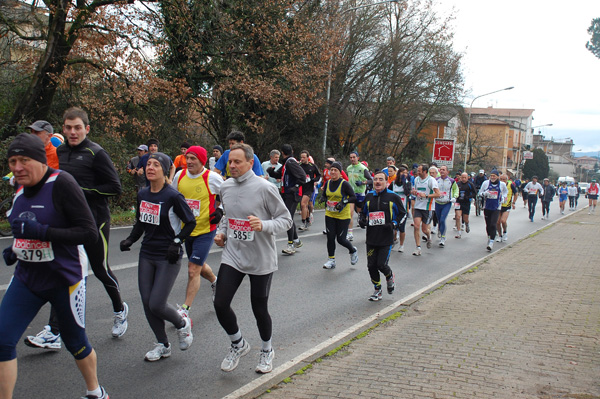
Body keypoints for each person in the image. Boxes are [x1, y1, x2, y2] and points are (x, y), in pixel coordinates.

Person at [0, 133, 108, 399]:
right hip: (28, 279)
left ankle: (96, 392)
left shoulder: (62, 183)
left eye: (24, 160)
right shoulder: (19, 187)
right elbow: (25, 227)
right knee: (2, 341)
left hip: (65, 279)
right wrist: (16, 249)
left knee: (75, 343)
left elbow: (88, 233)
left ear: (39, 159)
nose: (17, 167)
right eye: (12, 161)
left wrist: (43, 232)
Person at [26, 107, 128, 351]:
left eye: (77, 128)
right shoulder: (58, 153)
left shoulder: (96, 153)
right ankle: (54, 331)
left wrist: (81, 192)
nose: (73, 132)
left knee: (101, 270)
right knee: (63, 271)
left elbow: (115, 187)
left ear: (86, 129)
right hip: (67, 222)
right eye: (69, 127)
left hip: (95, 220)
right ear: (63, 129)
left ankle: (119, 309)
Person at [213, 143, 292, 374]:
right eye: (230, 161)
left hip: (261, 258)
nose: (233, 165)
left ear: (250, 163)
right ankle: (238, 343)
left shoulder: (265, 188)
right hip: (233, 255)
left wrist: (263, 225)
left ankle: (267, 349)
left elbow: (286, 220)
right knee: (220, 303)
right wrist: (222, 232)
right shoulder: (225, 186)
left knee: (259, 308)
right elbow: (228, 216)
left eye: (238, 161)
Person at [120, 152, 195, 362]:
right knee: (146, 302)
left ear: (164, 170)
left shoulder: (173, 196)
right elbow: (141, 222)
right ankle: (162, 344)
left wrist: (178, 242)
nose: (150, 168)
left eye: (155, 165)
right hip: (147, 253)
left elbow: (190, 223)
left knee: (157, 304)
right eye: (148, 165)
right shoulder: (143, 194)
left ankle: (182, 323)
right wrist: (130, 240)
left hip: (168, 255)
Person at [172, 146, 222, 323]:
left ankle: (185, 310)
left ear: (202, 160)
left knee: (193, 269)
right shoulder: (179, 176)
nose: (189, 161)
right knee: (198, 266)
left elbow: (229, 194)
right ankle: (216, 281)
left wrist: (221, 209)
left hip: (205, 230)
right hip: (186, 230)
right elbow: (173, 198)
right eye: (187, 158)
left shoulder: (212, 178)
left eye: (193, 158)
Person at [359, 171, 406, 301]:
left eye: (381, 179)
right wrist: (362, 220)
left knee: (381, 264)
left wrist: (394, 224)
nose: (377, 182)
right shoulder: (369, 196)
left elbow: (403, 214)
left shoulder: (393, 197)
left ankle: (389, 276)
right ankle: (377, 289)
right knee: (371, 266)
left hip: (386, 238)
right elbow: (362, 213)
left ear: (386, 182)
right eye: (375, 180)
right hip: (371, 238)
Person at [266, 144, 305, 255]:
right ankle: (296, 241)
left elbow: (302, 176)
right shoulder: (287, 163)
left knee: (287, 218)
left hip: (292, 194)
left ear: (282, 153)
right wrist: (271, 172)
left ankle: (291, 245)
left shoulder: (291, 162)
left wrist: (295, 187)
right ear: (291, 151)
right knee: (288, 218)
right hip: (287, 193)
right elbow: (280, 175)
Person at [319, 161, 359, 269]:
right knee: (330, 237)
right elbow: (324, 194)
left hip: (343, 216)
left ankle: (353, 250)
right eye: (331, 170)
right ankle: (331, 260)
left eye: (335, 170)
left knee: (341, 239)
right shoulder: (327, 183)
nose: (332, 172)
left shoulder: (344, 184)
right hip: (330, 214)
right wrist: (323, 198)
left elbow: (353, 197)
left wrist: (343, 202)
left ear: (340, 173)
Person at [410, 164, 440, 256]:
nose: (417, 172)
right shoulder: (416, 180)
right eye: (417, 171)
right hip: (418, 206)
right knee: (416, 226)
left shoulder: (431, 180)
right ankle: (418, 247)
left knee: (424, 229)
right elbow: (415, 191)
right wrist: (414, 192)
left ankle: (428, 236)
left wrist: (426, 196)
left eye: (419, 171)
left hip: (428, 207)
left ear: (425, 171)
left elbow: (438, 194)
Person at [478, 169, 507, 251]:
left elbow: (505, 192)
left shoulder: (502, 184)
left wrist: (504, 198)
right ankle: (489, 237)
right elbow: (480, 193)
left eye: (494, 176)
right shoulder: (486, 183)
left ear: (498, 176)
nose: (492, 177)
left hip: (496, 207)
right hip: (487, 206)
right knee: (488, 225)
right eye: (491, 176)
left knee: (493, 224)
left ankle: (491, 242)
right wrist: (484, 194)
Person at [346, 151, 371, 241]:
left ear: (358, 158)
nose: (352, 159)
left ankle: (368, 228)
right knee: (350, 213)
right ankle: (350, 233)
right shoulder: (348, 168)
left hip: (360, 194)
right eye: (351, 157)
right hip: (351, 194)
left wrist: (363, 182)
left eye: (354, 157)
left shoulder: (362, 168)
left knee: (361, 215)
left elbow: (371, 180)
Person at [389, 165, 411, 252]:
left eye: (406, 173)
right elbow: (388, 192)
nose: (404, 174)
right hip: (393, 209)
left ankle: (401, 245)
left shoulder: (407, 183)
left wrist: (404, 182)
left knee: (402, 228)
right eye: (403, 173)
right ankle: (394, 239)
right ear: (399, 173)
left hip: (403, 209)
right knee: (393, 227)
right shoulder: (393, 183)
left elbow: (407, 193)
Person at [434, 165, 457, 247]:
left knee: (443, 220)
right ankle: (440, 229)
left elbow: (456, 190)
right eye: (441, 170)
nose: (442, 171)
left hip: (446, 203)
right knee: (439, 220)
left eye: (444, 170)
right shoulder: (436, 180)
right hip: (437, 202)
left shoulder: (452, 181)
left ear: (447, 172)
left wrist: (454, 197)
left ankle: (443, 238)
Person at [298, 150, 321, 231]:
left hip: (309, 188)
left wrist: (313, 180)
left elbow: (319, 175)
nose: (302, 159)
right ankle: (308, 220)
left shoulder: (312, 166)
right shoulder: (299, 165)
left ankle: (303, 222)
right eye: (301, 157)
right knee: (305, 205)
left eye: (304, 157)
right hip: (301, 188)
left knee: (303, 204)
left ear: (308, 158)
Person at [452, 172, 477, 239]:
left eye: (465, 177)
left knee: (465, 218)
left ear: (467, 177)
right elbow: (453, 191)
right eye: (462, 177)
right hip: (458, 201)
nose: (463, 179)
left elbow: (475, 193)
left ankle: (467, 224)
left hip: (466, 202)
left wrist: (469, 197)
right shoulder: (457, 184)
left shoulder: (470, 184)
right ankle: (459, 232)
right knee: (458, 217)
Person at [496, 174, 518, 242]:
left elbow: (516, 193)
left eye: (504, 179)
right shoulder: (497, 185)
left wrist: (513, 202)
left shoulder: (510, 185)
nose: (502, 181)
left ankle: (505, 232)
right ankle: (500, 235)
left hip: (507, 206)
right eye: (501, 179)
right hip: (498, 205)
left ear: (507, 179)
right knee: (497, 222)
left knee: (503, 221)